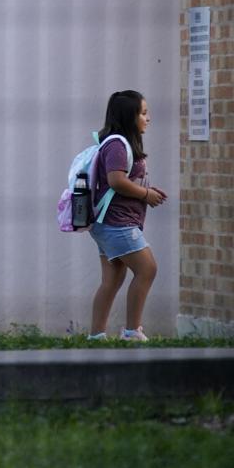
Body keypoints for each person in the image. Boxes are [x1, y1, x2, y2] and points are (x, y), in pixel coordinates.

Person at [87, 90, 164, 342]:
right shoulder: (118, 145)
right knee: (147, 269)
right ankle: (132, 332)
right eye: (143, 113)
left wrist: (148, 192)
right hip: (116, 223)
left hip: (107, 222)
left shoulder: (118, 144)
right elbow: (116, 181)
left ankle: (96, 336)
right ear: (129, 116)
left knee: (113, 278)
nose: (148, 118)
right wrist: (145, 195)